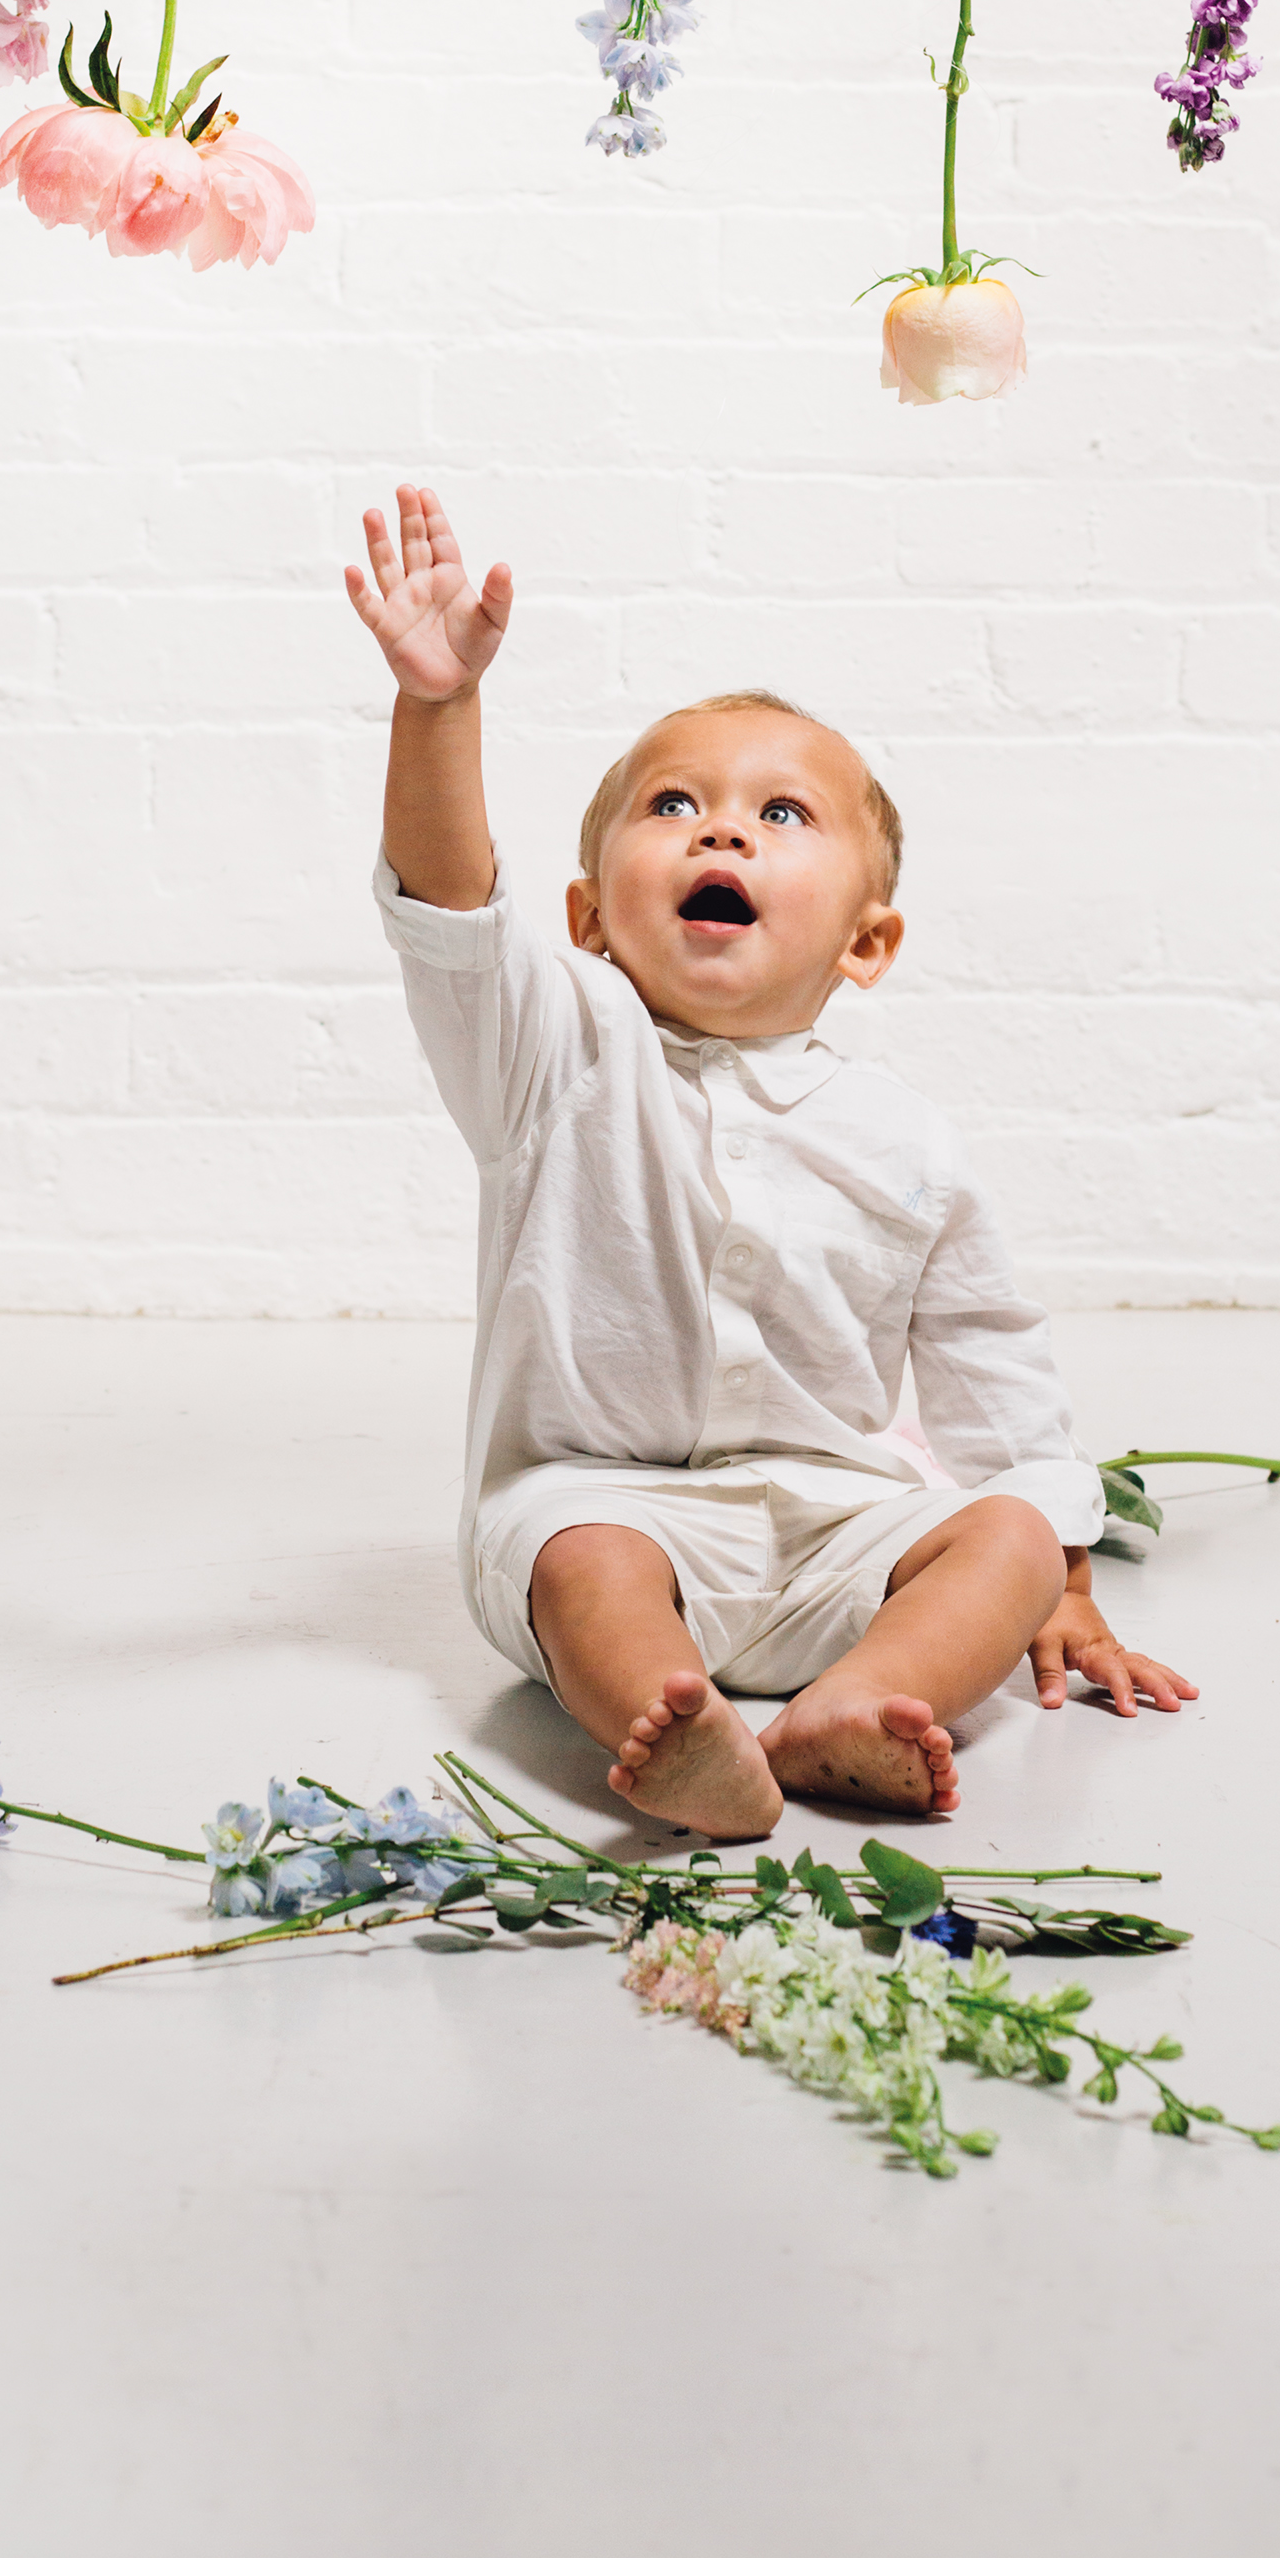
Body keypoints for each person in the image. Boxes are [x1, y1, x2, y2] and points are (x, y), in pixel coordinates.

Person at [348, 483, 1195, 1839]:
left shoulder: (906, 1139)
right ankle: (669, 1721)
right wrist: (438, 706)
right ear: (586, 919)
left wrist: (1065, 1583)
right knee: (580, 1565)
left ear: (866, 942)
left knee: (1009, 1538)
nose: (721, 830)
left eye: (781, 815)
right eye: (672, 804)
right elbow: (448, 911)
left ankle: (855, 1704)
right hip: (606, 1506)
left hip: (836, 1530)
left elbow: (994, 1371)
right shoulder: (550, 1056)